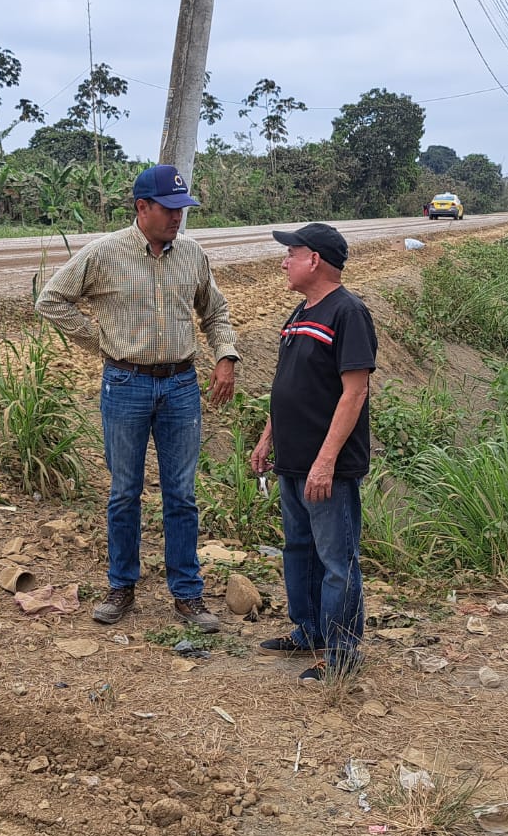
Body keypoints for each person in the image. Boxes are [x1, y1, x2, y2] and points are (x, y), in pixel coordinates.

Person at [36, 164, 239, 633]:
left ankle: (187, 594)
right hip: (125, 384)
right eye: (169, 210)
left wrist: (225, 356)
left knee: (181, 494)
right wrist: (100, 342)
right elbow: (51, 300)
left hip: (181, 385)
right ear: (142, 208)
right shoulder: (104, 253)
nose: (177, 218)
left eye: (182, 210)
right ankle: (121, 587)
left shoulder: (192, 254)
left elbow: (215, 311)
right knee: (125, 492)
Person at [247, 223, 377, 683]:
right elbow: (289, 384)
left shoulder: (348, 313)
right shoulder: (301, 312)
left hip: (327, 466)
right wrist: (268, 437)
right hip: (293, 459)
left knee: (336, 559)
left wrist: (326, 461)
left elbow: (354, 393)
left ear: (315, 260)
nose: (285, 262)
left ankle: (342, 651)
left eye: (292, 253)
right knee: (299, 549)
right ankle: (309, 630)